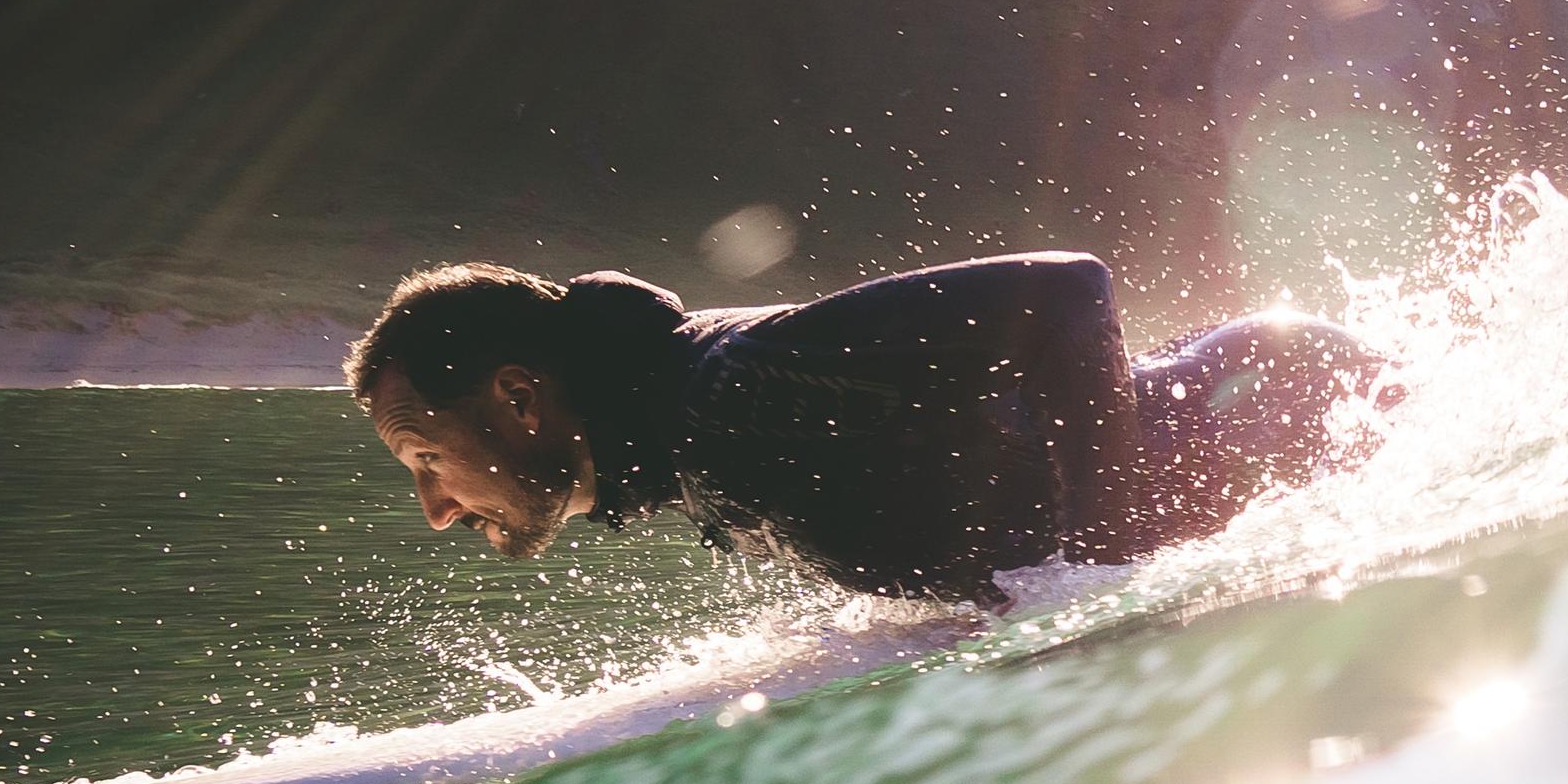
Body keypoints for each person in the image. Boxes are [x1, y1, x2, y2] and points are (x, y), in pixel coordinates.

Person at [346, 253, 1382, 605]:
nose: (436, 507)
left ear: (519, 400)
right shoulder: (684, 438)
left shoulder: (728, 389)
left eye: (427, 457)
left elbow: (1068, 293)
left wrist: (1100, 574)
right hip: (1265, 416)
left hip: (1284, 407)